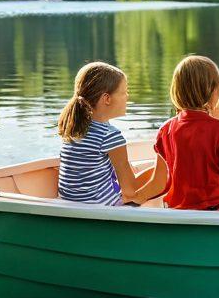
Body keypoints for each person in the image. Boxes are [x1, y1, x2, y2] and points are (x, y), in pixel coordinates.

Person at [142, 55, 219, 211]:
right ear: (214, 92)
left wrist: (131, 196)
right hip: (214, 209)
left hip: (175, 209)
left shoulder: (165, 129)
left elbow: (158, 183)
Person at [57, 61, 159, 204]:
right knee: (161, 184)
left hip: (69, 204)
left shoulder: (74, 128)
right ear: (107, 98)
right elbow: (129, 191)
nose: (127, 96)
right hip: (102, 207)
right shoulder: (110, 135)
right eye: (124, 92)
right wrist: (158, 174)